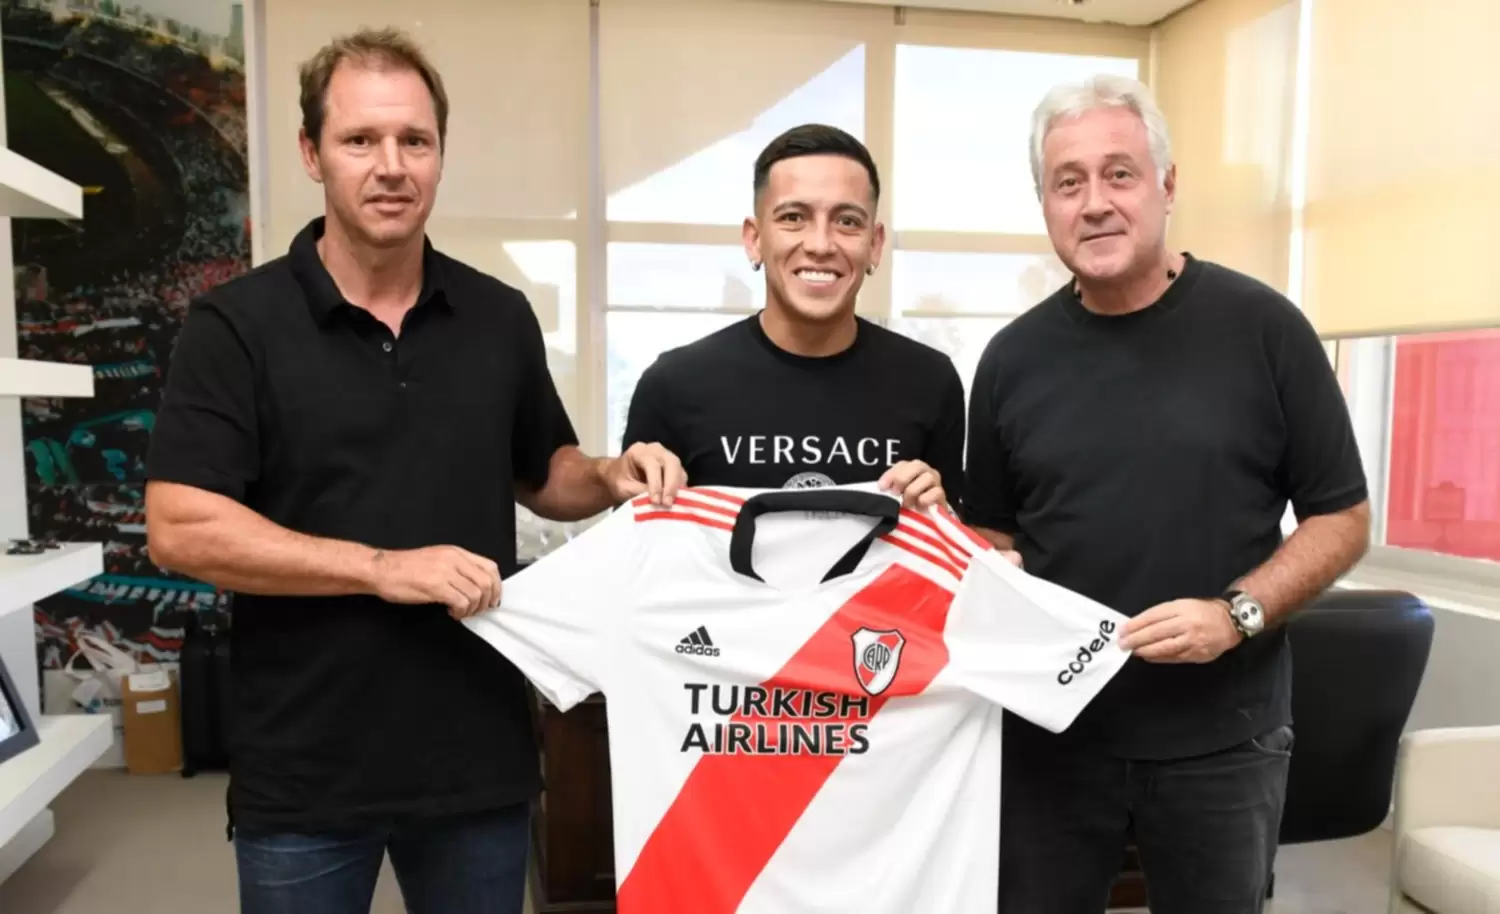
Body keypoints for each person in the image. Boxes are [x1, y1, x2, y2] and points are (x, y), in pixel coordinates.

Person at [143, 28, 683, 914]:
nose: (391, 166)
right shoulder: (235, 325)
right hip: (306, 769)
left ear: (440, 154)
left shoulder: (499, 317)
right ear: (312, 154)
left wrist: (607, 473)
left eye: (414, 141)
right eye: (361, 139)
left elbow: (543, 472)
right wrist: (381, 568)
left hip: (476, 758)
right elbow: (180, 527)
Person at [963, 74, 1371, 914]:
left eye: (1119, 173)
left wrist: (1236, 614)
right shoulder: (1008, 361)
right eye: (1067, 182)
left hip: (1225, 741)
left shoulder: (1265, 330)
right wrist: (965, 553)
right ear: (1045, 204)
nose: (1094, 203)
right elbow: (994, 538)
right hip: (1052, 738)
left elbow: (1343, 517)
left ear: (1167, 185)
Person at [622, 124, 964, 509]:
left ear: (875, 244)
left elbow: (949, 536)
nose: (820, 245)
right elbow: (638, 540)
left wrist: (940, 514)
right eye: (793, 217)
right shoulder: (673, 386)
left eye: (847, 221)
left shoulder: (931, 383)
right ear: (754, 239)